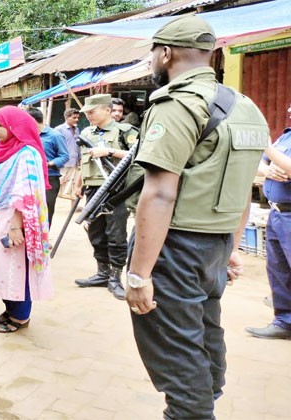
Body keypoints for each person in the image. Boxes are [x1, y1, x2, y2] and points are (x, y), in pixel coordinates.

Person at [126, 15, 269, 419]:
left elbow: (158, 193)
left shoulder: (177, 104)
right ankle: (202, 400)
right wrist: (232, 247)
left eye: (154, 53)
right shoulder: (246, 106)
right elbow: (242, 186)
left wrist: (139, 275)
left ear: (166, 53)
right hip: (216, 245)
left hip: (174, 247)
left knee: (177, 354)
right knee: (204, 337)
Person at [0, 106, 52, 333]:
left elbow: (25, 193)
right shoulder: (3, 150)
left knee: (17, 268)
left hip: (16, 219)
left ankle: (20, 316)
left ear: (14, 126)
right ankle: (9, 308)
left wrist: (17, 227)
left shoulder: (27, 153)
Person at [73, 94, 138, 300]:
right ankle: (102, 272)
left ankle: (115, 277)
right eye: (87, 113)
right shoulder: (86, 132)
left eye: (92, 112)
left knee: (116, 234)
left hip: (115, 190)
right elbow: (82, 161)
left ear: (107, 110)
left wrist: (109, 151)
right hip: (92, 188)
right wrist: (78, 183)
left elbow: (138, 155)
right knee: (95, 232)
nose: (88, 116)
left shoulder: (125, 131)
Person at [245, 103, 291, 340]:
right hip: (277, 214)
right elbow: (259, 160)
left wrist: (268, 148)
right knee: (278, 271)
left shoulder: (276, 143)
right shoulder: (286, 137)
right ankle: (284, 321)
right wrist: (267, 169)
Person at [26, 108, 69, 226]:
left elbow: (64, 156)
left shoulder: (55, 135)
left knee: (46, 210)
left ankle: (43, 239)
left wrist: (49, 163)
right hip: (30, 178)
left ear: (32, 120)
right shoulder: (27, 135)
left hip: (49, 178)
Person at [55, 108, 81, 200]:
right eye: (74, 117)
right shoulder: (59, 129)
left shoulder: (77, 129)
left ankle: (73, 207)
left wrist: (80, 158)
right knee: (61, 183)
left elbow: (77, 145)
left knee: (74, 184)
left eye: (78, 118)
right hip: (64, 162)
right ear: (67, 117)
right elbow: (55, 146)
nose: (77, 120)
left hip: (75, 161)